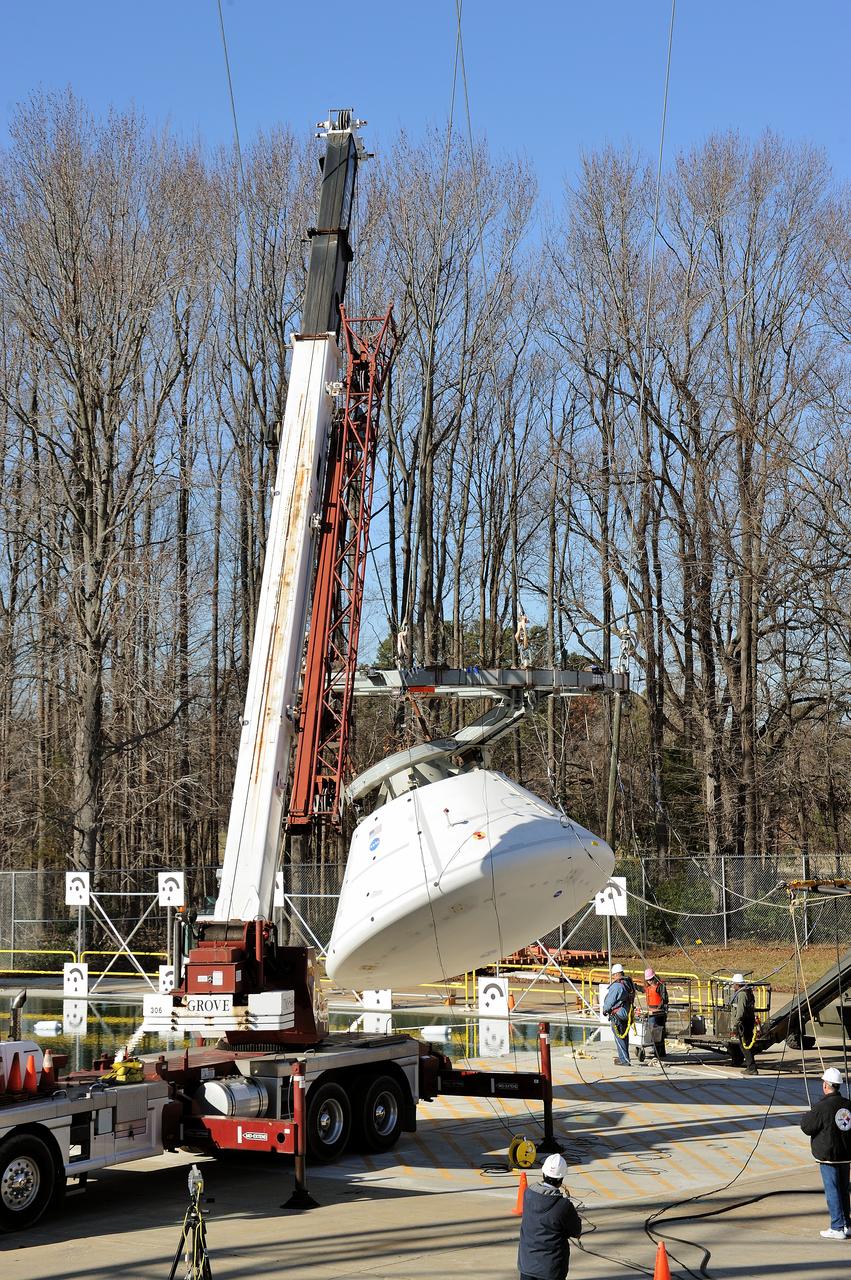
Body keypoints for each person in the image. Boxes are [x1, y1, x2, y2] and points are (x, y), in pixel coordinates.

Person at [801, 1066, 851, 1239]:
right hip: (845, 1155)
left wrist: (808, 1115)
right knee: (844, 1190)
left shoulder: (822, 1106)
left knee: (833, 1191)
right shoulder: (848, 1105)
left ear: (826, 1085)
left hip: (829, 1155)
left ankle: (837, 1227)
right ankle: (847, 1224)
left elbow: (807, 1127)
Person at [517, 1153, 582, 1280]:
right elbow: (576, 1231)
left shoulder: (528, 1193)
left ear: (543, 1173)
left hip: (527, 1265)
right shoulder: (563, 1206)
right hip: (551, 1270)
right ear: (561, 1179)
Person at [603, 963, 635, 1066]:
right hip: (627, 1013)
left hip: (618, 1014)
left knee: (619, 1038)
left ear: (616, 974)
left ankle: (624, 1060)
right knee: (624, 1037)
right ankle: (625, 1057)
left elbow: (610, 1001)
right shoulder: (628, 983)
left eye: (613, 975)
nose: (613, 977)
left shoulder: (617, 986)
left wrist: (605, 1010)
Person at [728, 973, 758, 1075]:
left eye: (734, 984)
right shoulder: (747, 992)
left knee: (745, 1046)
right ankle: (750, 1066)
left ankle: (752, 1068)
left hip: (744, 1023)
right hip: (747, 1022)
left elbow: (740, 1011)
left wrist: (736, 1024)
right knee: (745, 1045)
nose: (733, 986)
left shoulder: (742, 994)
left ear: (737, 984)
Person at [643, 967, 669, 1060]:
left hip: (659, 1012)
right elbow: (642, 989)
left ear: (654, 977)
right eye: (648, 980)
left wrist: (659, 1008)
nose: (649, 981)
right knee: (654, 1031)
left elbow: (665, 999)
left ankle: (659, 1052)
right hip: (651, 1011)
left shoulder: (660, 986)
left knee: (658, 1031)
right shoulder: (648, 987)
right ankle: (657, 1050)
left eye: (651, 979)